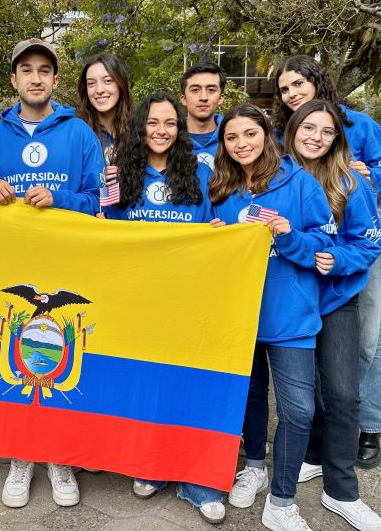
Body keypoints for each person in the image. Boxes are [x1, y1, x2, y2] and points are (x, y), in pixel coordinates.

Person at [0, 37, 104, 508]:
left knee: (62, 357)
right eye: (25, 70)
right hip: (12, 267)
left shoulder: (79, 134)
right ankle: (21, 455)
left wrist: (61, 199)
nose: (35, 77)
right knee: (17, 358)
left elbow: (95, 202)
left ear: (54, 80)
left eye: (43, 70)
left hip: (67, 265)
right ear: (14, 80)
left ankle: (59, 456)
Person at [209, 104, 334, 531]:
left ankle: (282, 501)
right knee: (250, 397)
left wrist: (289, 234)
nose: (242, 144)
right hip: (240, 316)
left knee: (298, 410)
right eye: (231, 137)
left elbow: (323, 242)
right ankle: (255, 468)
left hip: (290, 316)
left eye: (250, 134)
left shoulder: (299, 184)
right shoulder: (222, 190)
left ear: (267, 136)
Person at [272, 55, 381, 469]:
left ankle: (369, 425)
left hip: (354, 246)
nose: (291, 93)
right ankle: (319, 430)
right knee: (315, 340)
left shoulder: (358, 124)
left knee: (365, 340)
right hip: (308, 253)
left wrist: (363, 175)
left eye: (298, 84)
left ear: (317, 81)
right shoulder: (282, 138)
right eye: (284, 89)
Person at [101, 91, 222, 524]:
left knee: (187, 386)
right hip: (136, 302)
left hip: (187, 302)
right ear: (140, 127)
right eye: (153, 123)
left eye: (170, 123)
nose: (161, 131)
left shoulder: (200, 175)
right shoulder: (118, 175)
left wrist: (219, 234)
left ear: (180, 129)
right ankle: (150, 467)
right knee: (145, 386)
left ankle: (197, 481)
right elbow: (104, 233)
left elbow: (217, 230)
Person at [283, 100, 381, 531]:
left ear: (337, 139)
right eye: (309, 127)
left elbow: (369, 241)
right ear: (293, 129)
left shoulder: (349, 182)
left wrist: (337, 259)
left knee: (343, 393)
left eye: (326, 132)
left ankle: (341, 489)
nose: (316, 137)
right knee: (302, 398)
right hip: (288, 301)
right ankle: (309, 455)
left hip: (336, 298)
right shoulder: (275, 175)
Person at [77, 51, 134, 169]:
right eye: (91, 84)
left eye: (107, 81)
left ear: (120, 84)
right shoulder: (77, 133)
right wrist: (96, 179)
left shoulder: (140, 129)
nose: (99, 90)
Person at [180, 63, 227, 171]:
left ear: (221, 98)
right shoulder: (170, 139)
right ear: (183, 99)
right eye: (195, 90)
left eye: (211, 90)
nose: (203, 97)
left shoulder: (235, 137)